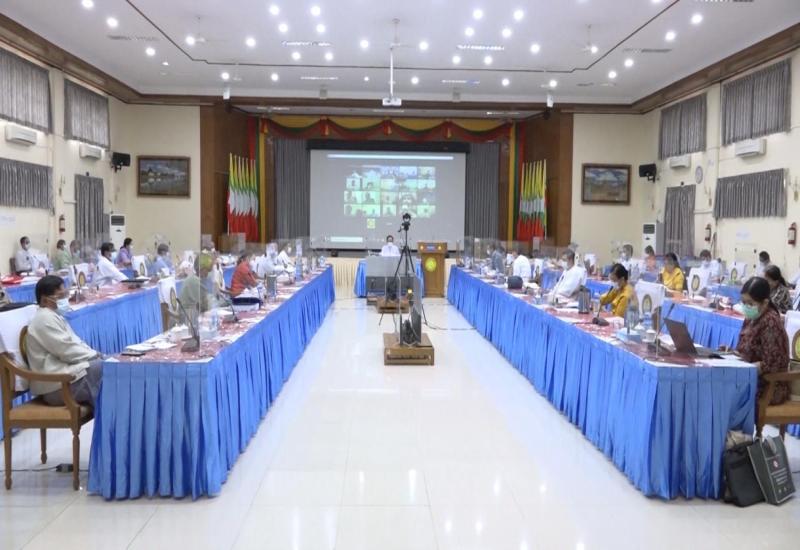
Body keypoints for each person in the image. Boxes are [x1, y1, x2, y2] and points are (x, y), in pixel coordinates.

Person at [25, 275, 103, 406]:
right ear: (44, 300)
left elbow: (76, 343)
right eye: (60, 296)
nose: (65, 300)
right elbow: (67, 350)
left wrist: (96, 355)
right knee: (105, 369)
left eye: (65, 295)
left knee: (110, 367)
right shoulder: (44, 319)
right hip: (56, 386)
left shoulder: (54, 316)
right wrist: (94, 356)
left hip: (66, 376)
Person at [735, 276, 789, 410]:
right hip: (747, 377)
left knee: (725, 393)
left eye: (750, 303)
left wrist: (747, 369)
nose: (746, 307)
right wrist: (731, 353)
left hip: (767, 385)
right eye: (743, 302)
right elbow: (746, 349)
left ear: (765, 303)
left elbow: (772, 364)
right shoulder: (751, 318)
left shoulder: (771, 322)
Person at [178, 254, 212, 319]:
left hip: (187, 315)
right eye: (207, 270)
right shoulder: (196, 281)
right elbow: (205, 307)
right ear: (201, 269)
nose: (208, 273)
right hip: (189, 318)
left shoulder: (191, 278)